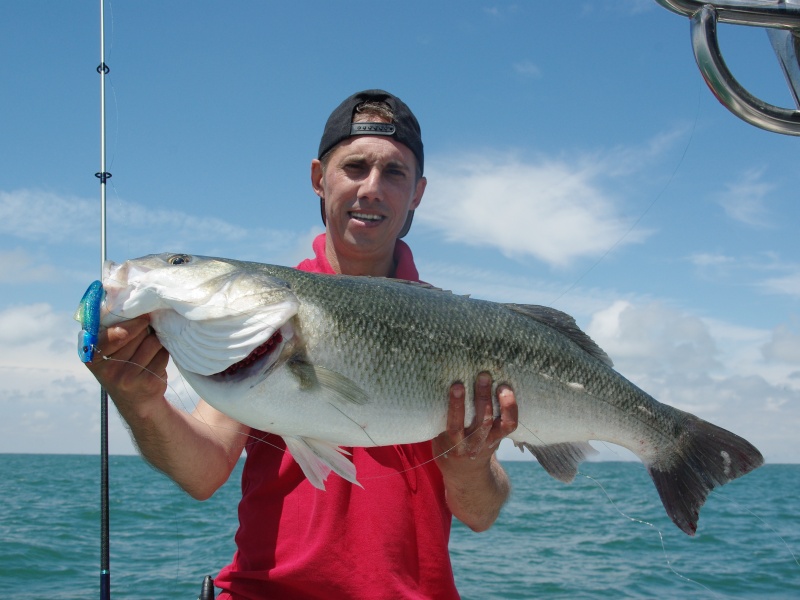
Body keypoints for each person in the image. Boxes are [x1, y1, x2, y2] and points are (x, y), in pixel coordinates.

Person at [85, 89, 518, 599]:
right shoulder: (258, 320)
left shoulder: (457, 328)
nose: (372, 189)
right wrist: (140, 401)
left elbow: (481, 513)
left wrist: (468, 463)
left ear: (417, 192)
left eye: (394, 173)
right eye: (354, 167)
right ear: (319, 178)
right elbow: (203, 472)